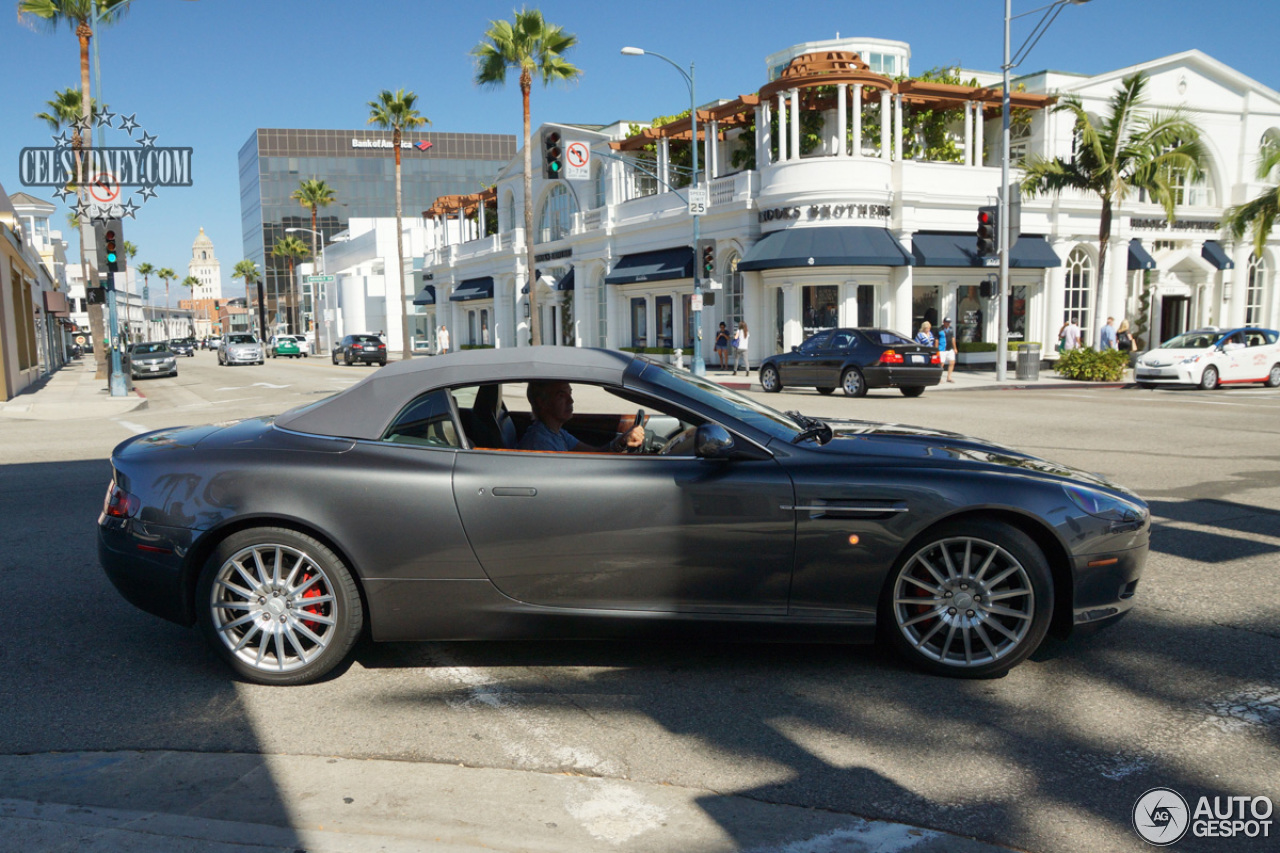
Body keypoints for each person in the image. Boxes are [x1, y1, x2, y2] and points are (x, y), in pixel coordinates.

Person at [518, 380, 645, 453]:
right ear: (542, 403)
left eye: (570, 393)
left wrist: (621, 442)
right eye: (561, 395)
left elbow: (594, 454)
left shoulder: (557, 433)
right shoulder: (540, 444)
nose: (571, 401)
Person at [937, 317, 958, 383]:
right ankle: (939, 377)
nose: (948, 324)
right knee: (941, 363)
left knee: (952, 362)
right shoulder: (939, 329)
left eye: (949, 322)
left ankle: (949, 377)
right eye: (947, 322)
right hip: (942, 349)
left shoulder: (951, 329)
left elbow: (953, 339)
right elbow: (936, 340)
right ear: (944, 322)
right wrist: (936, 348)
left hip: (949, 348)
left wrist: (955, 348)